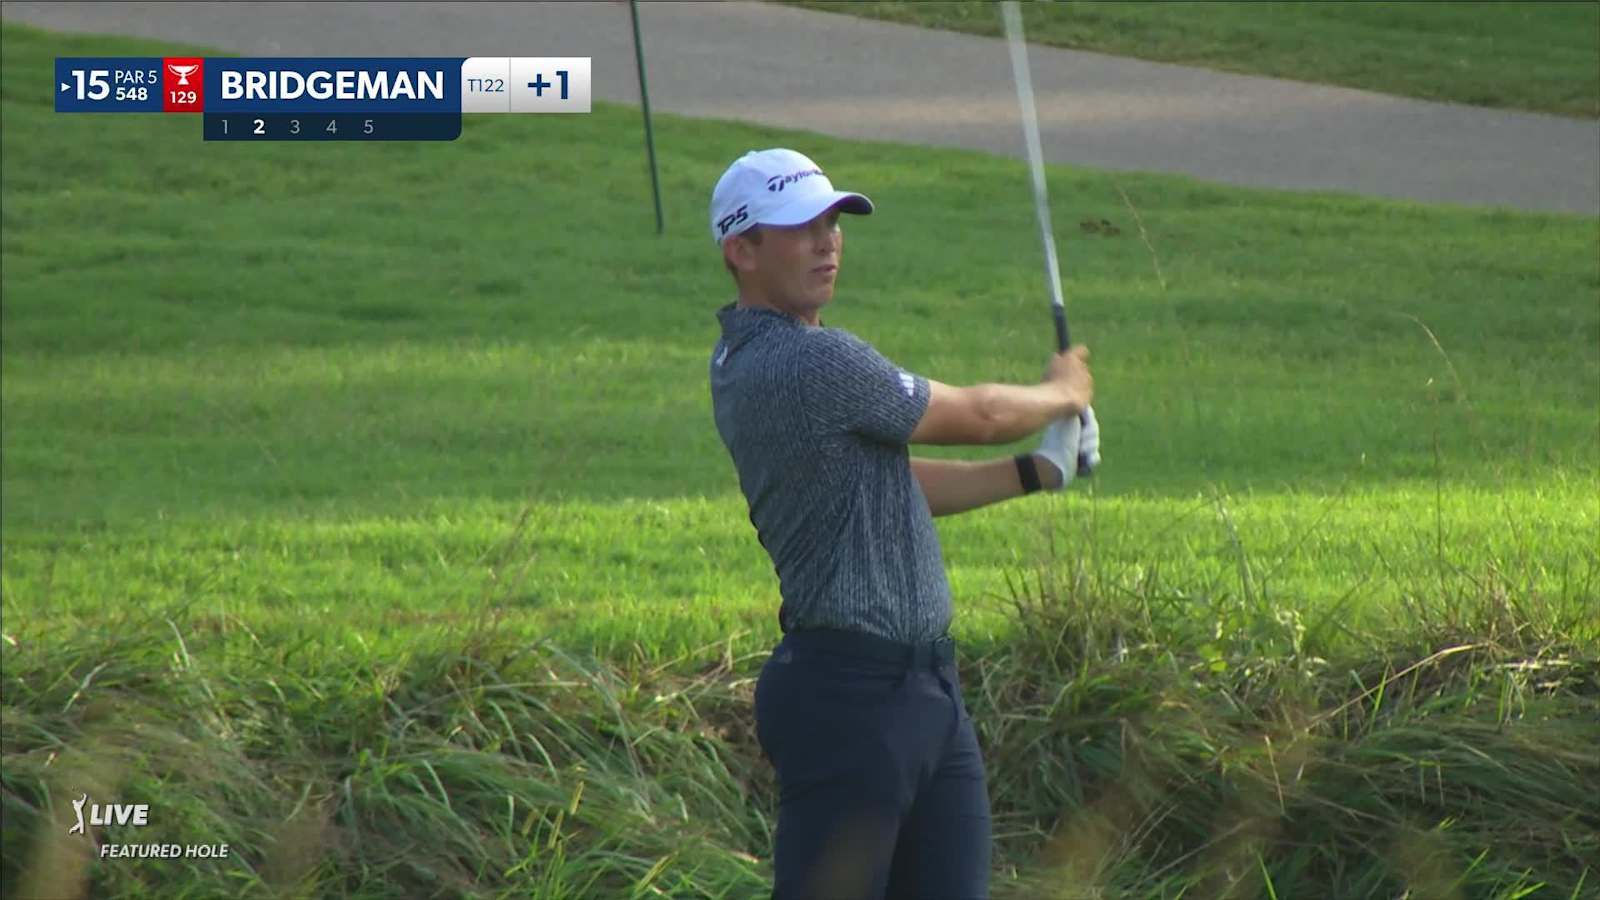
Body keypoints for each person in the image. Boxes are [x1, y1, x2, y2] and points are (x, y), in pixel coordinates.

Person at [707, 148, 1097, 899]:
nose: (827, 241)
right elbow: (977, 415)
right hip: (850, 698)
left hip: (925, 693)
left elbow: (891, 486)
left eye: (833, 222)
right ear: (742, 250)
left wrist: (1037, 471)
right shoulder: (805, 363)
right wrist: (1063, 392)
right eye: (800, 227)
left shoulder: (751, 360)